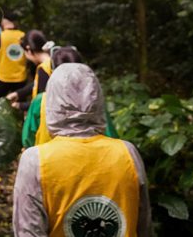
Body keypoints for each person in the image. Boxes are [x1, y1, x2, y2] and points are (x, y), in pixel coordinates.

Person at [13, 63, 152, 237]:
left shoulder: (35, 160)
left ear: (51, 103)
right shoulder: (128, 153)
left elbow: (28, 232)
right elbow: (144, 227)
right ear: (98, 100)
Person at [20, 46, 119, 148]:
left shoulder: (40, 101)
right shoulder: (93, 100)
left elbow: (27, 139)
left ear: (53, 71)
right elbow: (111, 136)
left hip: (48, 161)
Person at [6, 30, 53, 110]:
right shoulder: (54, 59)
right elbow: (38, 83)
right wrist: (19, 94)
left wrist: (20, 106)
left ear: (28, 50)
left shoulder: (44, 69)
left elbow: (42, 103)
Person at [0, 16, 27, 99]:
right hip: (21, 77)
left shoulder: (0, 37)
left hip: (3, 77)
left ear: (3, 23)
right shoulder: (23, 36)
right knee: (20, 104)